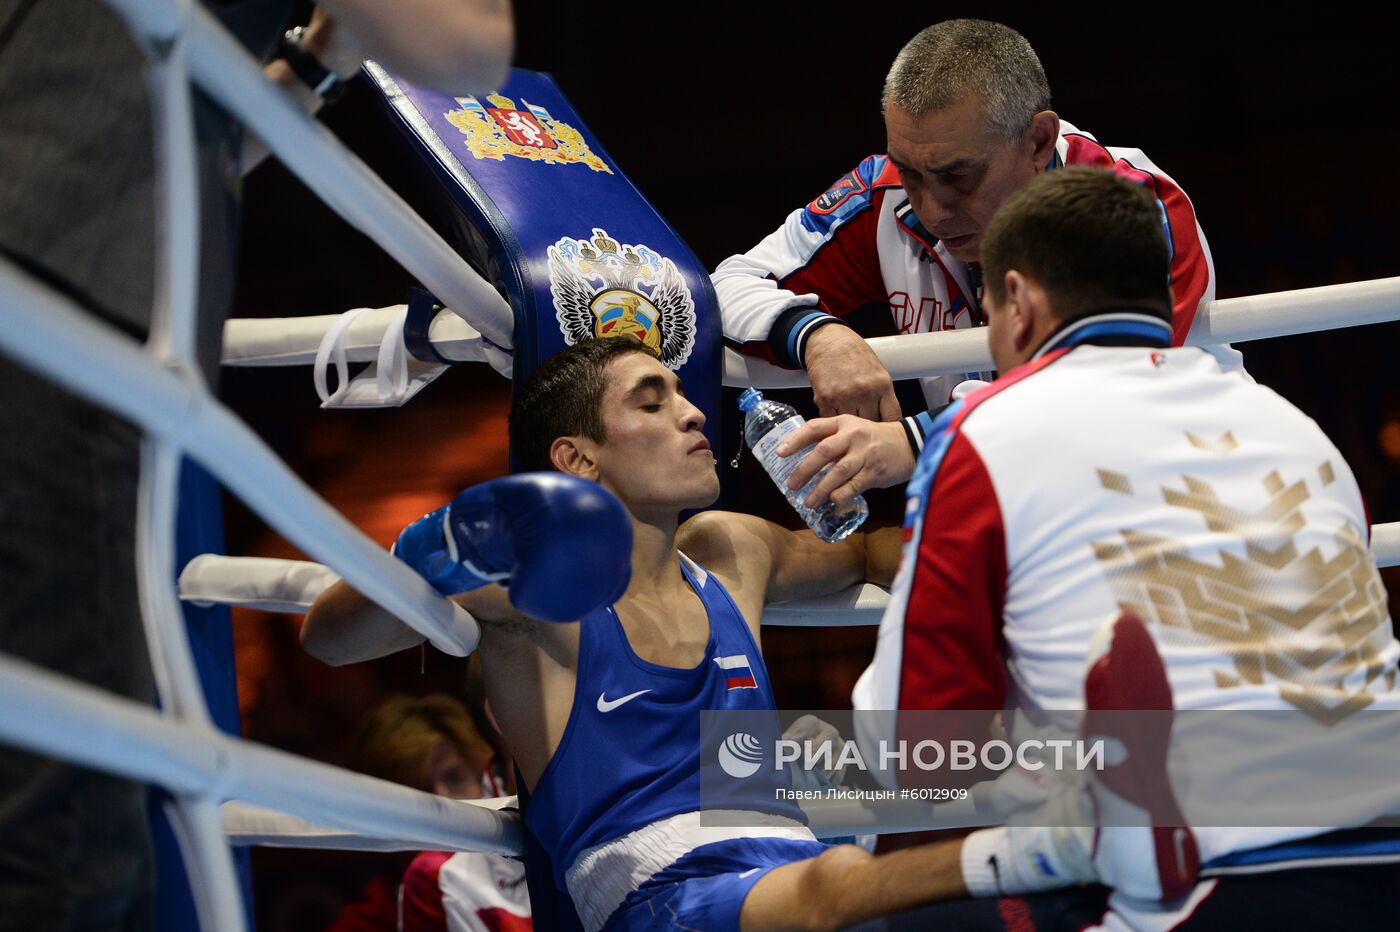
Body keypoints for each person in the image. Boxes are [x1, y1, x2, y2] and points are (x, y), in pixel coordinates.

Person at [303, 336, 1146, 930]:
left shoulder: (728, 552)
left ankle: (1111, 828)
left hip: (790, 856)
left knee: (986, 768)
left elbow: (877, 556)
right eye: (652, 401)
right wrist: (428, 556)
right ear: (578, 459)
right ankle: (1070, 847)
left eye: (682, 393)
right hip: (659, 895)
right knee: (851, 875)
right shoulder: (534, 595)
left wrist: (1019, 574)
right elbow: (327, 639)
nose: (695, 414)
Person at [0, 2, 513, 927]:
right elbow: (468, 45)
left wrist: (320, 62)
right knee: (68, 832)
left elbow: (194, 152)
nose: (686, 411)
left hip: (71, 304)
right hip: (61, 329)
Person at [782, 167, 1400, 928]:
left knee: (877, 871)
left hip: (1207, 882)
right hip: (1381, 842)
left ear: (1019, 303)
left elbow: (920, 748)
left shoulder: (986, 430)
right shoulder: (1301, 433)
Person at [713, 18, 1236, 428]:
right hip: (1015, 513)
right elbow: (720, 290)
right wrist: (816, 335)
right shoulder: (884, 193)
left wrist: (917, 442)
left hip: (1184, 493)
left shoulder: (1129, 202)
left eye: (958, 176)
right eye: (913, 173)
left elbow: (1094, 393)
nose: (932, 208)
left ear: (1036, 142)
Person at [327, 687, 531, 932]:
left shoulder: (537, 850)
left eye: (454, 777)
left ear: (483, 771)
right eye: (417, 793)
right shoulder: (366, 922)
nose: (441, 800)